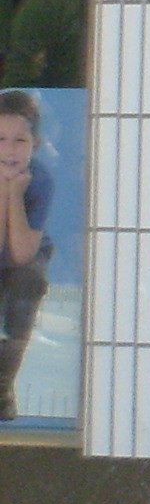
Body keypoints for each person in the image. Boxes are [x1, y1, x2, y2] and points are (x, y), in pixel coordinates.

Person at [0, 91, 57, 423]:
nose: (9, 150)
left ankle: (2, 388)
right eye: (0, 139)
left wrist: (14, 195)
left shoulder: (40, 180)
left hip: (27, 252)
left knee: (28, 281)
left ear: (34, 144)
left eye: (19, 140)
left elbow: (22, 254)